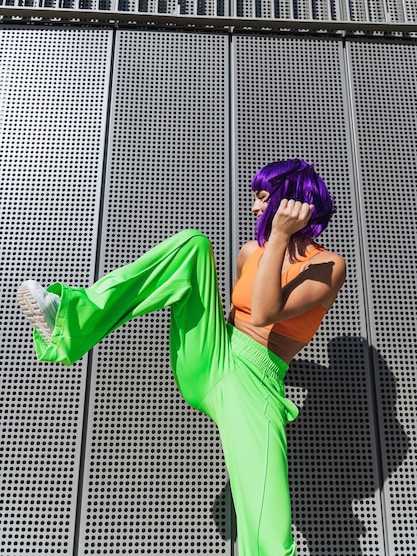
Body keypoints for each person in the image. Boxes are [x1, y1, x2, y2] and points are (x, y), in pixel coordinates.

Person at [18, 158, 346, 556]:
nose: (255, 208)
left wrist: (278, 238)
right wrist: (268, 246)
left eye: (262, 198)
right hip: (214, 354)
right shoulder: (249, 253)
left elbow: (263, 314)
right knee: (193, 245)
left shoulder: (327, 266)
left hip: (254, 383)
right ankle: (72, 315)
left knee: (268, 531)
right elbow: (235, 318)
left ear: (291, 200)